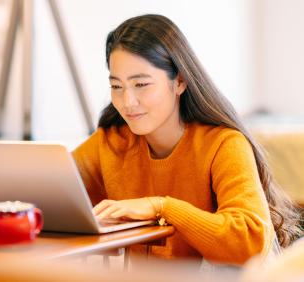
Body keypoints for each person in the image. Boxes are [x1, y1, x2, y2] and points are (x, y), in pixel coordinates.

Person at [72, 14, 302, 266]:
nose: (127, 102)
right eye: (117, 86)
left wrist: (162, 207)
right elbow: (53, 191)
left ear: (179, 81)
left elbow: (250, 240)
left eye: (141, 84)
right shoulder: (111, 142)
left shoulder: (223, 144)